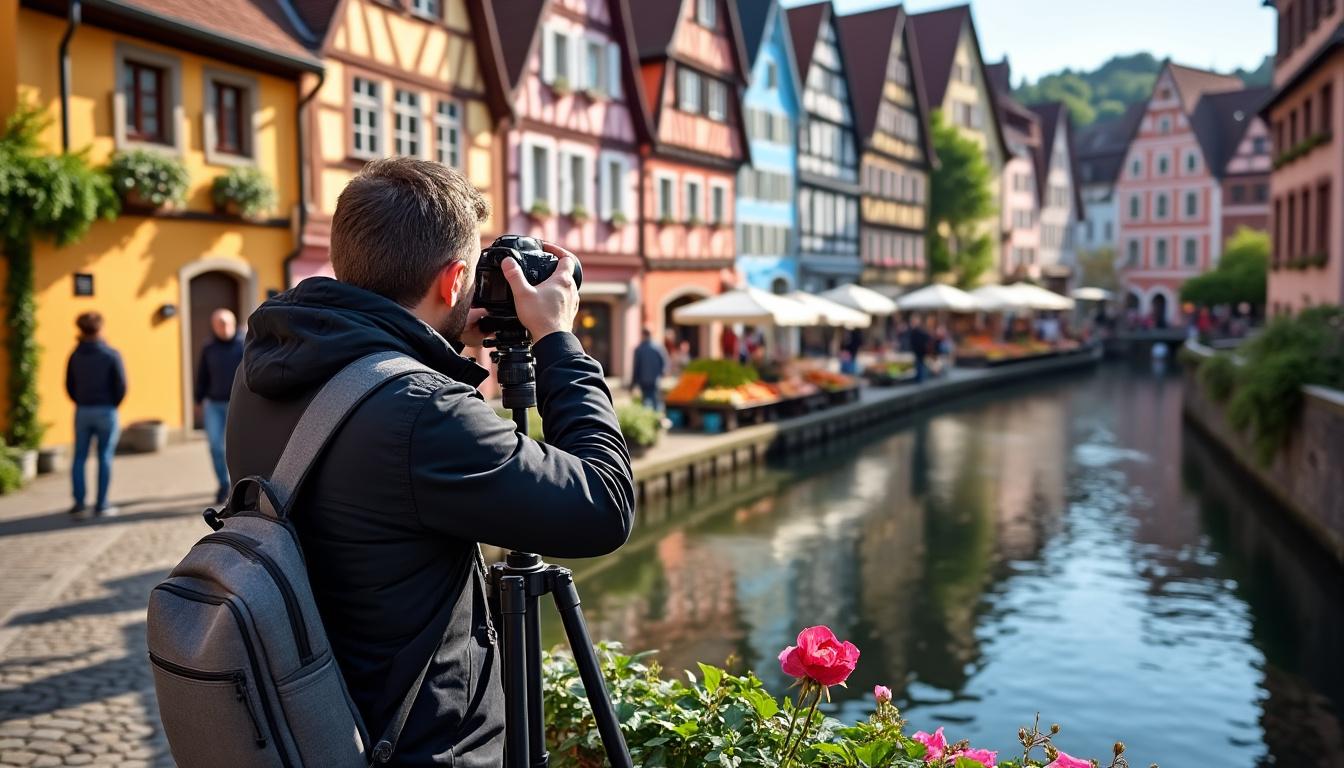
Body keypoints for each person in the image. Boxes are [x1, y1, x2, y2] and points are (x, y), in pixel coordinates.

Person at [225, 158, 635, 767]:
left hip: (312, 722)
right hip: (420, 746)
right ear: (454, 281)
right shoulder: (423, 415)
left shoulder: (266, 369)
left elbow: (373, 427)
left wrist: (435, 336)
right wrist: (556, 339)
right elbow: (604, 505)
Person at [65, 312, 127, 517]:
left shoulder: (75, 355)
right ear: (100, 329)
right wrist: (112, 404)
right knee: (104, 457)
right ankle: (102, 505)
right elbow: (121, 385)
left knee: (79, 457)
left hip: (83, 411)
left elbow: (69, 385)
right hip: (106, 410)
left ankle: (79, 504)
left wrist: (82, 401)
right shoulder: (110, 354)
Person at [195, 308, 243, 504]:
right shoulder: (209, 348)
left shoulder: (245, 345)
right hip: (213, 403)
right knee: (215, 446)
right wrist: (197, 398)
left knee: (236, 448)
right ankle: (224, 485)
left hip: (237, 404)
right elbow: (202, 374)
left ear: (233, 323)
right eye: (219, 324)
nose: (223, 327)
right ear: (213, 326)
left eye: (226, 323)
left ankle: (238, 487)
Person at [630, 327, 667, 410]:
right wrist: (662, 373)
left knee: (646, 401)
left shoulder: (639, 349)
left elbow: (636, 367)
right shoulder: (658, 347)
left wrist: (633, 382)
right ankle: (657, 419)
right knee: (656, 401)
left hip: (643, 380)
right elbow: (664, 362)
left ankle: (649, 418)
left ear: (643, 335)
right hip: (654, 379)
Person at [908, 315, 932, 384]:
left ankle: (920, 379)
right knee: (919, 364)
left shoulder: (918, 331)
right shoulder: (915, 330)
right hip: (919, 351)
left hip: (920, 351)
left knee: (920, 365)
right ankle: (920, 378)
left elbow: (926, 338)